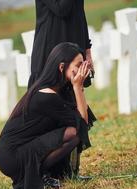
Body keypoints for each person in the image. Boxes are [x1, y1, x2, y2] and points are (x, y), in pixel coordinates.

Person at [0, 43, 93, 189]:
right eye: (79, 65)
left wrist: (77, 87)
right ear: (62, 67)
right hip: (12, 156)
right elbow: (82, 124)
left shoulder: (56, 88)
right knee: (73, 134)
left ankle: (53, 173)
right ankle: (39, 174)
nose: (83, 69)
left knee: (73, 131)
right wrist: (78, 87)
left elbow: (82, 118)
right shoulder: (46, 95)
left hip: (24, 147)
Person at [28, 0, 96, 178]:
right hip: (50, 56)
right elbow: (62, 8)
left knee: (74, 108)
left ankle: (70, 172)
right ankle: (47, 174)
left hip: (73, 50)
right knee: (50, 118)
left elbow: (78, 12)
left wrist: (87, 50)